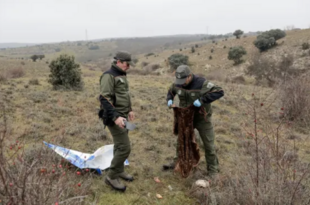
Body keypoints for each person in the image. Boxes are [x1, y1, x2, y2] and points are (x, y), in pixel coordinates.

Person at [163, 65, 224, 177]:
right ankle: (178, 162)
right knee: (181, 141)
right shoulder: (178, 83)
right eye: (179, 81)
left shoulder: (201, 83)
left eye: (183, 80)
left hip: (202, 119)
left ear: (190, 76)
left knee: (208, 145)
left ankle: (213, 171)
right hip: (185, 118)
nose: (181, 83)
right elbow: (171, 91)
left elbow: (219, 91)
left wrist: (202, 100)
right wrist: (169, 99)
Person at [99, 51, 135, 192]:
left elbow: (124, 94)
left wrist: (130, 109)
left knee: (120, 145)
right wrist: (116, 117)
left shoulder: (122, 75)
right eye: (127, 64)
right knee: (125, 147)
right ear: (119, 61)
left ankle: (119, 170)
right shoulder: (109, 75)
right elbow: (104, 98)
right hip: (114, 117)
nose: (129, 66)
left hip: (123, 116)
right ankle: (112, 176)